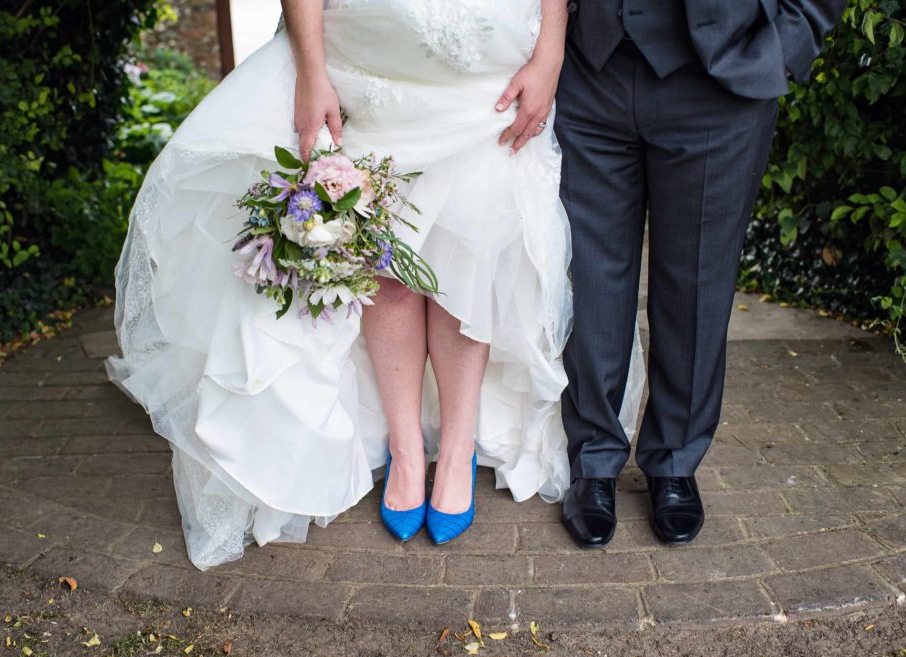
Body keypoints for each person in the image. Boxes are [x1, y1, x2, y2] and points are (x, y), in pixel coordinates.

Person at [105, 0, 645, 570]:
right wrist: (311, 72)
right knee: (384, 269)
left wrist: (551, 52)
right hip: (368, 73)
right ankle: (405, 447)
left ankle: (457, 450)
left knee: (471, 263)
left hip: (485, 81)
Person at [556, 0, 846, 548]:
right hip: (588, 72)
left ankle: (674, 460)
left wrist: (788, 44)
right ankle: (593, 461)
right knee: (590, 278)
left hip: (720, 81)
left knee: (695, 284)